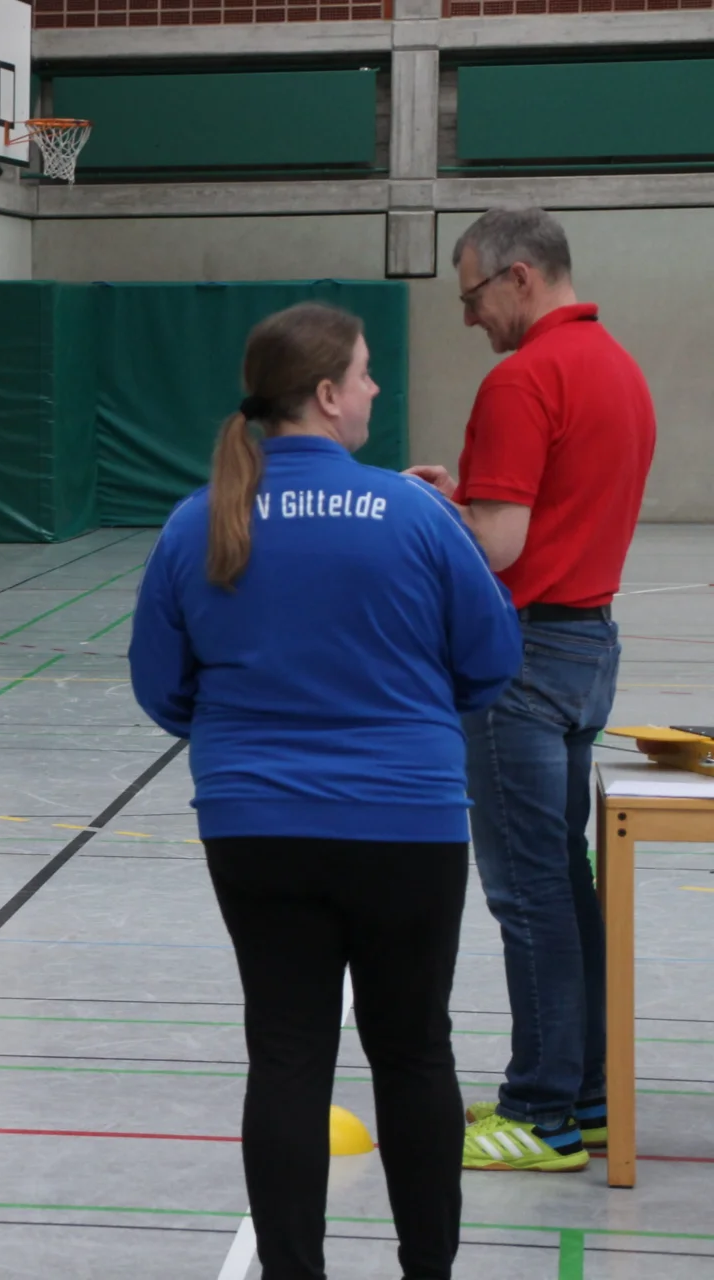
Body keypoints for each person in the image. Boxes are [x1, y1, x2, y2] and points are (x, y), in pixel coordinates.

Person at [129, 302, 522, 1280]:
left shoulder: (195, 521)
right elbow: (491, 659)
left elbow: (160, 687)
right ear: (327, 394)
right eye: (365, 372)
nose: (375, 388)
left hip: (254, 824)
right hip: (407, 823)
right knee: (414, 1051)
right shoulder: (416, 514)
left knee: (288, 1054)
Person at [404, 207, 656, 1174]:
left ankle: (540, 1111)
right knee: (564, 878)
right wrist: (465, 499)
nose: (470, 317)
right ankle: (585, 1096)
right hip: (589, 648)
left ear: (518, 276)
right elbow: (541, 515)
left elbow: (501, 546)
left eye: (472, 296)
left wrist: (429, 507)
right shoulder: (618, 368)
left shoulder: (522, 377)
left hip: (522, 659)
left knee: (528, 892)